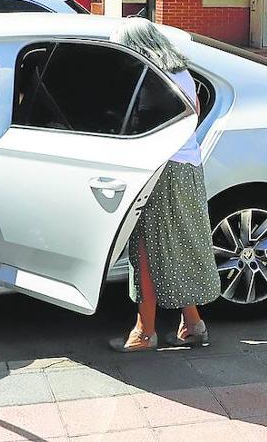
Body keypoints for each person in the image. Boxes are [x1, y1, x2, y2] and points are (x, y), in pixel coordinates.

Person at [108, 18, 221, 352]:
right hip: (186, 168)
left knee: (145, 249)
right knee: (178, 248)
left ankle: (145, 332)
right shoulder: (179, 73)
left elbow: (142, 126)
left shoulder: (152, 79)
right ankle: (193, 324)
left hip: (163, 171)